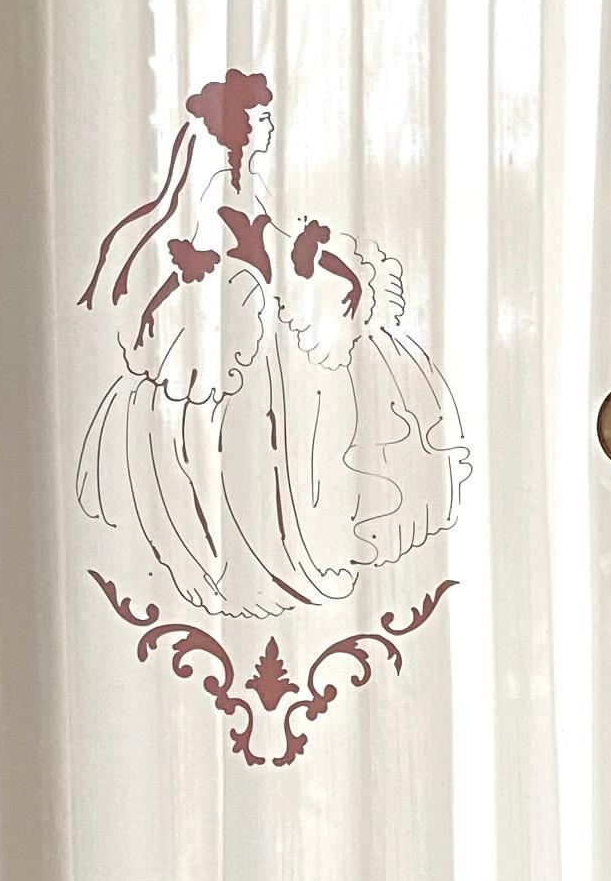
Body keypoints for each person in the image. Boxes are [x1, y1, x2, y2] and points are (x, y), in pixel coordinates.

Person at [74, 70, 466, 616]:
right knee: (261, 434)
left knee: (306, 415)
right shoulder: (218, 191)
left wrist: (339, 269)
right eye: (260, 119)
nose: (269, 127)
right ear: (239, 130)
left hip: (264, 317)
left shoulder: (253, 184)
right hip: (241, 324)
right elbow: (199, 257)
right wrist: (153, 307)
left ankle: (291, 544)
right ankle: (261, 557)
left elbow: (276, 244)